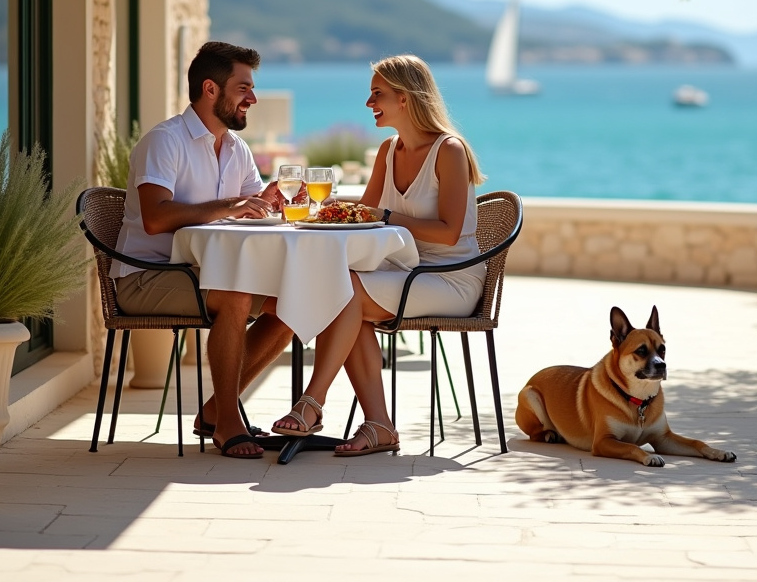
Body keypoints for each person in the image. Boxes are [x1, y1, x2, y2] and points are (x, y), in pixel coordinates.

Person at [270, 54, 486, 456]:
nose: (369, 103)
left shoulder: (449, 151)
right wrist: (323, 205)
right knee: (344, 292)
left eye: (377, 94)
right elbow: (364, 214)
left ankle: (311, 403)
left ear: (405, 98)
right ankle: (378, 426)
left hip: (450, 278)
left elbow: (448, 231)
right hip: (405, 272)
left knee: (346, 291)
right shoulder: (389, 150)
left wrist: (385, 215)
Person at [112, 41, 293, 458]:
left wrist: (268, 202)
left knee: (291, 303)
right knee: (234, 293)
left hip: (201, 272)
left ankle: (214, 410)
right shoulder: (166, 141)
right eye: (243, 87)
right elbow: (156, 217)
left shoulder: (236, 149)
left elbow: (251, 211)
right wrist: (230, 205)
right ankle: (228, 423)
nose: (253, 98)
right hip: (146, 276)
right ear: (211, 90)